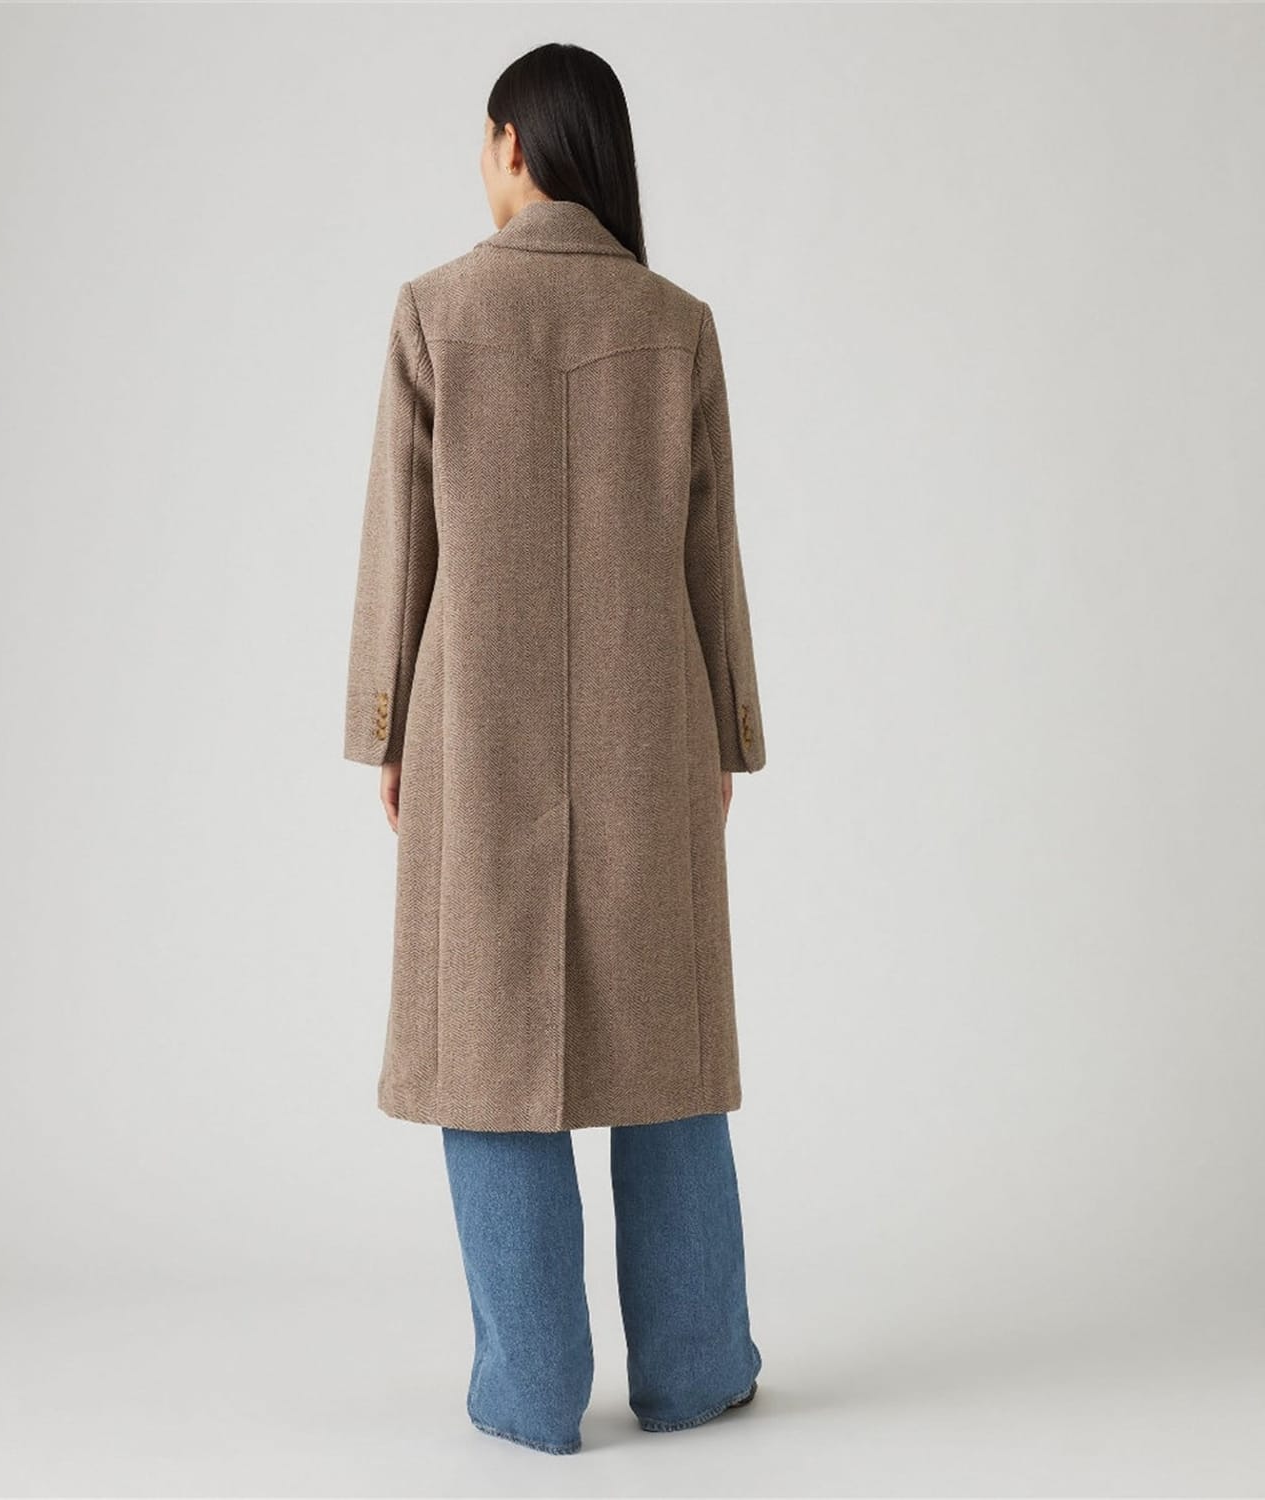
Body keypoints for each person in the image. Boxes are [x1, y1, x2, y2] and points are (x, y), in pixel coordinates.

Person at [342, 41, 768, 1455]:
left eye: (485, 141)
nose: (482, 163)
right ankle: (696, 1371)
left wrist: (384, 730)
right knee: (668, 1053)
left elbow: (402, 547)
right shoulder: (677, 324)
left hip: (477, 730)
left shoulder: (435, 311)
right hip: (655, 733)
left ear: (516, 144)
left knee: (489, 1050)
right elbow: (713, 558)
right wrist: (728, 733)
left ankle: (527, 1393)